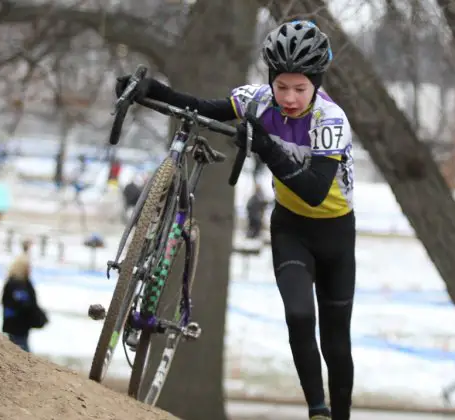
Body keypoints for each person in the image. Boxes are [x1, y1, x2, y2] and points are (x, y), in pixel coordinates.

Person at [115, 20, 354, 420]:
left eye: (300, 88)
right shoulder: (257, 101)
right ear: (271, 80)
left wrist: (265, 147)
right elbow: (203, 107)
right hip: (291, 228)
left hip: (335, 234)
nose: (290, 98)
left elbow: (314, 189)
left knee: (336, 343)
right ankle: (317, 411)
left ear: (316, 84)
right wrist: (149, 90)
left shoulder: (330, 120)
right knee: (298, 316)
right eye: (282, 87)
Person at [1, 239, 48, 352]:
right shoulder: (16, 284)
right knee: (20, 350)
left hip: (21, 325)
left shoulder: (23, 283)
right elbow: (22, 303)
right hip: (16, 324)